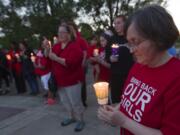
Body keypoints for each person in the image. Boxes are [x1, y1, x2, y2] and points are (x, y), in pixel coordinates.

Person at [98, 5, 180, 135]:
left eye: (135, 41)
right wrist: (116, 111)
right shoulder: (138, 66)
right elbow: (127, 100)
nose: (131, 50)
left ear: (158, 37)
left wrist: (124, 121)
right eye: (129, 42)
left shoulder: (176, 78)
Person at [48, 24, 85, 132]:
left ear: (69, 34)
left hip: (73, 80)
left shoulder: (75, 46)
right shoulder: (57, 46)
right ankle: (71, 117)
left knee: (75, 102)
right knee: (65, 101)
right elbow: (50, 56)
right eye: (59, 32)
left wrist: (56, 58)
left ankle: (80, 120)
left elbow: (71, 63)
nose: (60, 34)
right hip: (60, 81)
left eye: (63, 32)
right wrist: (47, 49)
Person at [105, 15, 134, 104]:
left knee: (129, 102)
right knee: (116, 101)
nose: (116, 25)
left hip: (130, 75)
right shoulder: (112, 39)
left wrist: (132, 49)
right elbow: (107, 55)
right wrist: (110, 58)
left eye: (118, 23)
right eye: (115, 23)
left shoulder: (131, 37)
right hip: (115, 76)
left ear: (125, 24)